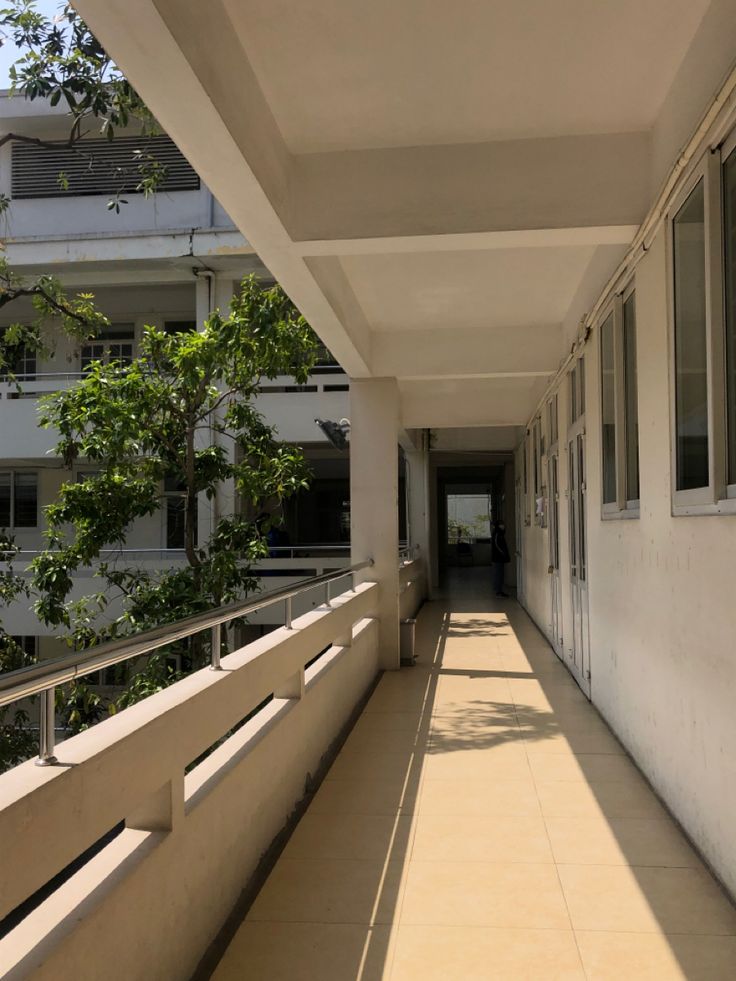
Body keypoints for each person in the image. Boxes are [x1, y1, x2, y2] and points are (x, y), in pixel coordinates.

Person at [490, 518, 510, 598]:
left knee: (500, 574)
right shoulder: (497, 533)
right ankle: (498, 592)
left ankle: (499, 590)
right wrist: (503, 553)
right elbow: (497, 545)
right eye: (502, 524)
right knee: (498, 574)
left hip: (499, 557)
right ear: (498, 525)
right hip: (498, 557)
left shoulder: (499, 533)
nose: (503, 525)